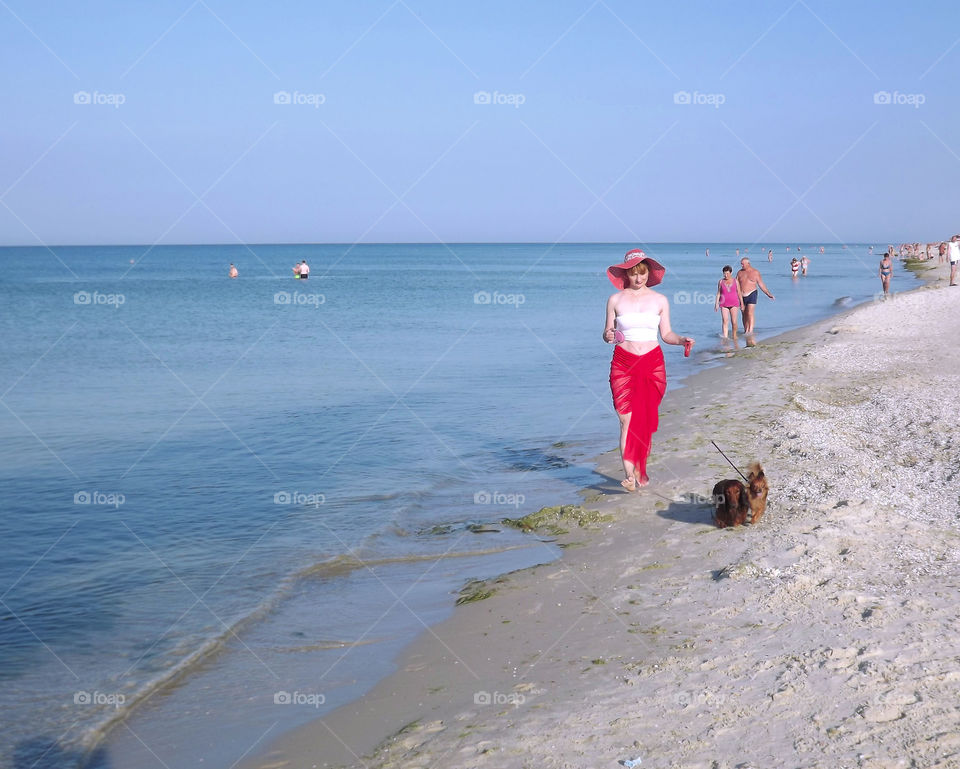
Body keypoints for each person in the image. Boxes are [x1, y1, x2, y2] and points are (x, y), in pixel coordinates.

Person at [603, 249, 694, 491]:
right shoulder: (615, 300)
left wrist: (682, 339)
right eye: (633, 273)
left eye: (642, 272)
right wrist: (608, 334)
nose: (638, 278)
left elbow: (666, 334)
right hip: (623, 362)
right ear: (626, 274)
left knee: (642, 419)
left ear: (648, 273)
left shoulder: (660, 300)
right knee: (625, 420)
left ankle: (640, 466)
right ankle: (629, 476)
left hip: (652, 362)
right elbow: (606, 334)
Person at [736, 257, 775, 333]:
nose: (741, 265)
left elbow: (761, 284)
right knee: (744, 313)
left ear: (748, 263)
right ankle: (746, 329)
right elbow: (736, 285)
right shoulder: (739, 272)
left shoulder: (755, 272)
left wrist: (768, 293)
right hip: (741, 295)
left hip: (752, 293)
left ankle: (750, 330)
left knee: (750, 312)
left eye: (742, 264)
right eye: (741, 264)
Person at [714, 265, 744, 339]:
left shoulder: (735, 281)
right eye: (724, 273)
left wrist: (742, 304)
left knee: (734, 321)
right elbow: (718, 293)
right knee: (725, 320)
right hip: (723, 304)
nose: (726, 275)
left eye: (727, 273)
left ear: (731, 273)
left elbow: (739, 293)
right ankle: (725, 337)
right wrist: (716, 304)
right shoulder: (721, 282)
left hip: (734, 303)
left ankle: (734, 335)